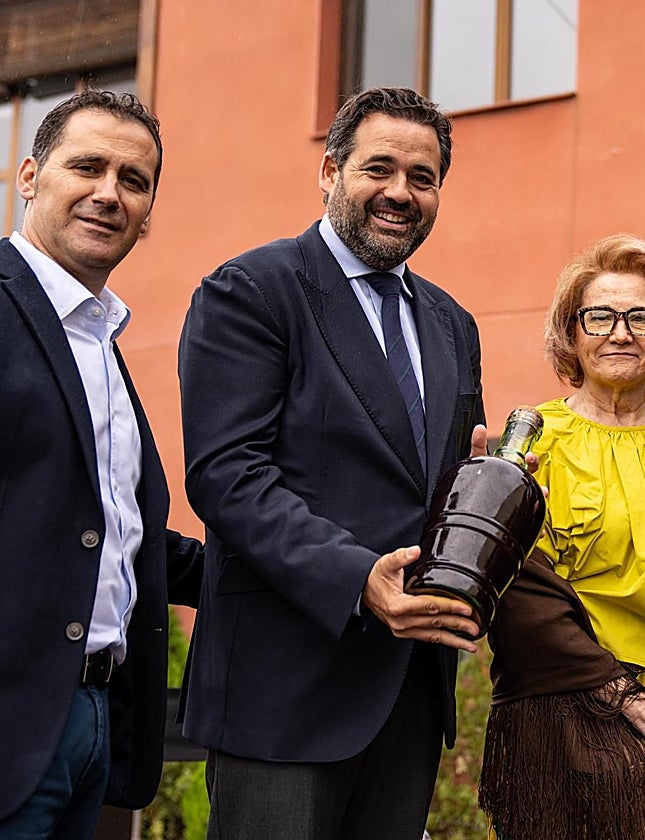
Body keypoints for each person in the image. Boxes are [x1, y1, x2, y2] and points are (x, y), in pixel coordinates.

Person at [178, 88, 486, 840]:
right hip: (284, 692)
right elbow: (229, 476)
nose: (400, 192)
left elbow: (442, 483)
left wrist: (493, 492)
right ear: (329, 171)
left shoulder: (452, 322)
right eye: (379, 168)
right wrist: (357, 579)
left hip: (409, 694)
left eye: (422, 177)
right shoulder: (252, 291)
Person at [478, 234, 645, 840]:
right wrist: (629, 701)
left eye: (643, 318)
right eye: (599, 316)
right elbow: (518, 600)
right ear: (571, 333)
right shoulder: (532, 442)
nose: (620, 334)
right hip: (566, 719)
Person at [0, 90, 204, 838]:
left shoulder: (99, 340)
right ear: (29, 177)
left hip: (95, 719)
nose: (109, 193)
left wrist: (325, 576)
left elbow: (116, 532)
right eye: (87, 167)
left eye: (133, 180)